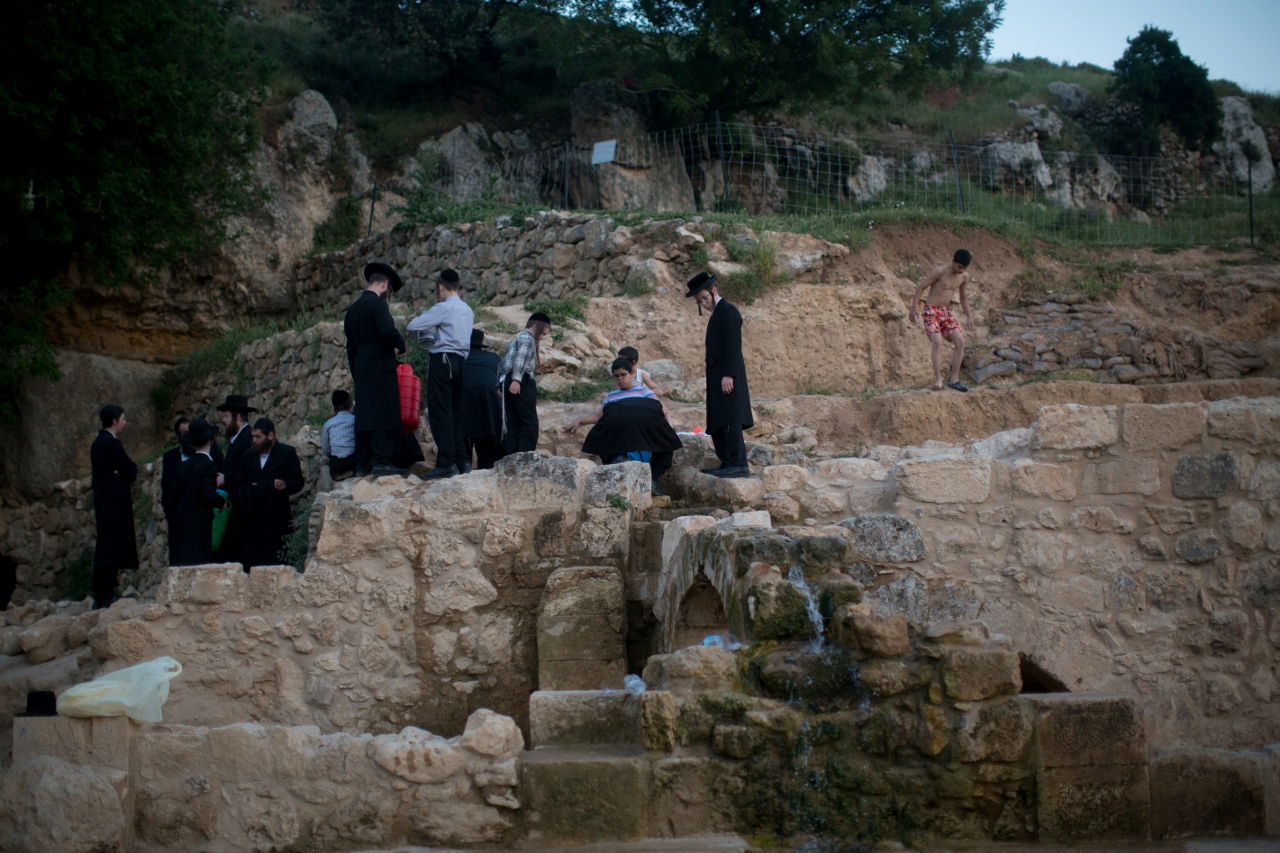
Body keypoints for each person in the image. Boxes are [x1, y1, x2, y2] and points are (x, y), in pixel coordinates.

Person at [563, 358, 682, 495]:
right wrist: (580, 420)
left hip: (643, 432)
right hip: (621, 436)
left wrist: (669, 429)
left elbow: (662, 410)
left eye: (623, 374)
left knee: (668, 445)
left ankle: (652, 480)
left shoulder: (644, 391)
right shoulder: (612, 396)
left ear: (632, 374)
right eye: (616, 376)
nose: (619, 379)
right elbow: (599, 417)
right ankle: (617, 467)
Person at [407, 268, 474, 479]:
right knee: (456, 414)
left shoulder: (444, 308)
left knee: (440, 414)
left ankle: (446, 463)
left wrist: (430, 326)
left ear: (440, 286)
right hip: (462, 362)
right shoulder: (468, 310)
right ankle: (462, 461)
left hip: (443, 361)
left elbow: (413, 325)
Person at [686, 272, 753, 478]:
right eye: (700, 301)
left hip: (727, 375)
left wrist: (729, 375)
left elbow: (733, 346)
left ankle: (739, 463)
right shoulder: (718, 314)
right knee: (719, 418)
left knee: (731, 416)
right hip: (717, 375)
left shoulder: (728, 311)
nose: (704, 304)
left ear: (714, 291)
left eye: (705, 298)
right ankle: (727, 461)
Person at [345, 261, 408, 476]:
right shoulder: (378, 305)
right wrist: (401, 344)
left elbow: (350, 345)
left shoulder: (352, 310)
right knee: (383, 409)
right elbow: (386, 330)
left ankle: (363, 463)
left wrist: (356, 369)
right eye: (390, 290)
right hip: (380, 363)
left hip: (361, 364)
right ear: (385, 285)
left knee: (364, 411)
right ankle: (382, 460)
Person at [234, 417, 304, 569]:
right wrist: (250, 491)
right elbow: (239, 483)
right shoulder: (248, 455)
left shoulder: (286, 452)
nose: (254, 440)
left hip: (277, 521)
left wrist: (285, 485)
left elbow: (298, 481)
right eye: (253, 436)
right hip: (252, 522)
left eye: (258, 436)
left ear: (270, 436)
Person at [90, 404, 138, 608]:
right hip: (113, 503)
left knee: (106, 544)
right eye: (123, 419)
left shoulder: (99, 443)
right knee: (110, 546)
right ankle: (106, 593)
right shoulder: (110, 444)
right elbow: (129, 469)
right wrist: (121, 475)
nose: (125, 422)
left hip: (105, 502)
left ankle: (105, 591)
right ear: (114, 421)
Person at [909, 248, 975, 392]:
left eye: (964, 268)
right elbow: (921, 287)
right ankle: (938, 379)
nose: (961, 270)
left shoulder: (964, 277)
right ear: (953, 262)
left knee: (960, 341)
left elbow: (963, 298)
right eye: (959, 266)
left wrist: (969, 315)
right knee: (937, 341)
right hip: (931, 310)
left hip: (945, 312)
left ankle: (954, 379)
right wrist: (914, 307)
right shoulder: (940, 272)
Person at [169, 418, 225, 566]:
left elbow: (176, 495)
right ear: (211, 441)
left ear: (192, 443)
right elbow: (208, 495)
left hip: (183, 523)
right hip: (201, 523)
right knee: (201, 562)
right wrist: (222, 502)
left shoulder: (183, 466)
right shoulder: (209, 465)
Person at [499, 311, 552, 454]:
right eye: (542, 334)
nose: (542, 338)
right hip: (521, 381)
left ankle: (512, 455)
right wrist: (517, 380)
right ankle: (525, 456)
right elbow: (520, 359)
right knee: (529, 422)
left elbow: (504, 363)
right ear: (535, 326)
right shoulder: (528, 339)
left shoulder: (517, 339)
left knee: (513, 421)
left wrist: (502, 383)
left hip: (508, 380)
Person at [215, 394, 256, 565]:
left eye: (226, 416)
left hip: (242, 505)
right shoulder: (237, 439)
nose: (223, 421)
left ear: (237, 417)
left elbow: (247, 469)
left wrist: (226, 478)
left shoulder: (248, 438)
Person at [461, 329, 504, 470]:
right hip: (489, 409)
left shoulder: (458, 358)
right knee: (488, 454)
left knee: (461, 451)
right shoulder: (494, 358)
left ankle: (462, 470)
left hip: (463, 409)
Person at [321, 390, 357, 480]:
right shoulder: (355, 420)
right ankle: (351, 471)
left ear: (334, 407)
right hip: (352, 461)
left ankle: (338, 473)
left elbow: (325, 449)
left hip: (336, 464)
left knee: (333, 460)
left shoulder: (328, 424)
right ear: (350, 405)